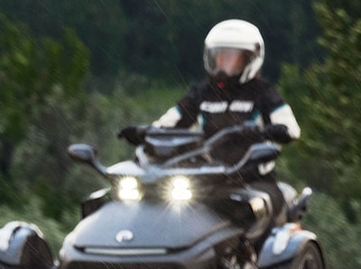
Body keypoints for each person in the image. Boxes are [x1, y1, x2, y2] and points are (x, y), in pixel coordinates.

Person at [119, 19, 301, 216]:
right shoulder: (203, 93)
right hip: (207, 179)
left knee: (249, 216)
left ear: (250, 60)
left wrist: (261, 132)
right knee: (161, 210)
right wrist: (143, 132)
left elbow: (290, 129)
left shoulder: (263, 93)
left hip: (253, 179)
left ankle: (251, 248)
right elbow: (169, 123)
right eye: (219, 57)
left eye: (232, 58)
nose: (223, 64)